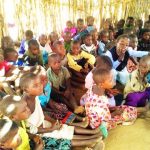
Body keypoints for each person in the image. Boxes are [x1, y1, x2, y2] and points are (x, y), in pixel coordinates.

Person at [19, 72, 104, 149]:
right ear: (26, 90)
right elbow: (31, 130)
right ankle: (91, 141)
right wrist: (51, 129)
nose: (40, 86)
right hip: (39, 134)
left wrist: (53, 122)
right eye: (35, 85)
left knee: (63, 128)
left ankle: (93, 136)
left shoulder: (34, 96)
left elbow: (42, 114)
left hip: (43, 125)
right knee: (61, 134)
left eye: (40, 83)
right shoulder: (24, 107)